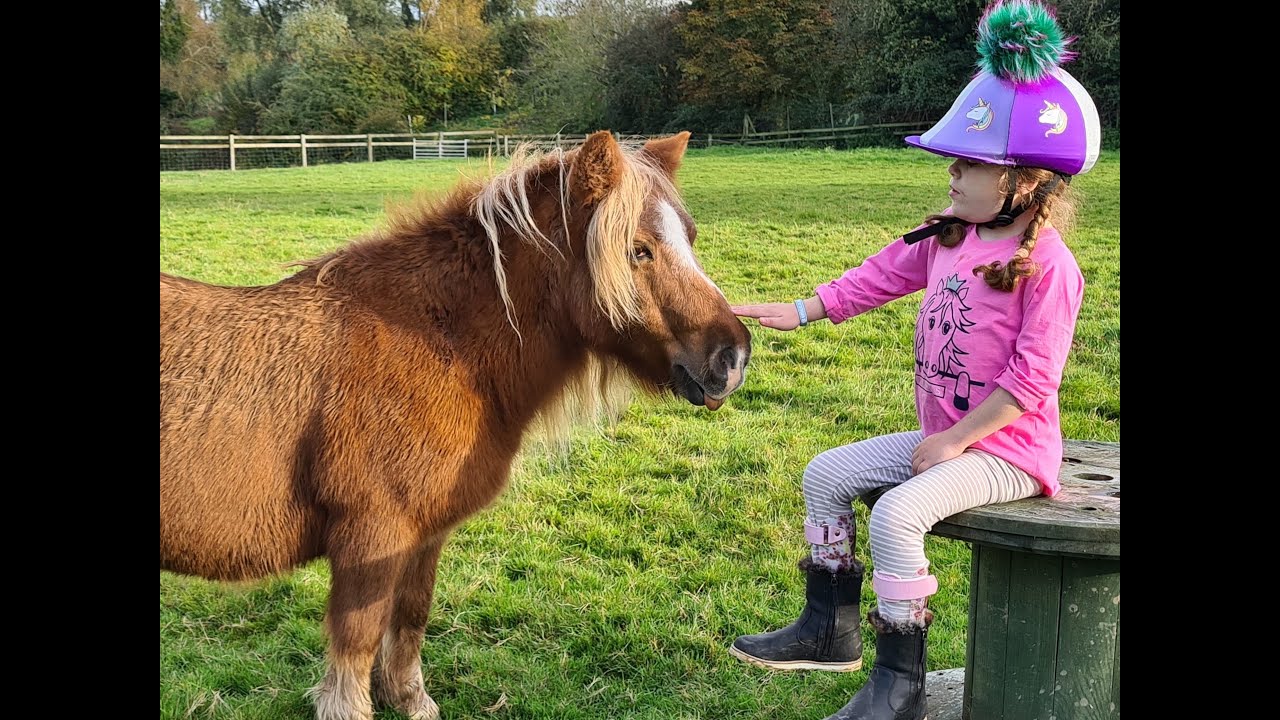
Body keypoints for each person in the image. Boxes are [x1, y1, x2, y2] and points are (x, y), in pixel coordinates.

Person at [728, 2, 1102, 718]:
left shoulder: (1050, 266)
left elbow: (1033, 381)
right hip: (951, 444)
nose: (951, 175)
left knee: (896, 517)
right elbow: (878, 276)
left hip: (1008, 451)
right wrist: (806, 309)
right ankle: (828, 630)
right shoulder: (950, 236)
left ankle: (900, 685)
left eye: (968, 164)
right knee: (825, 474)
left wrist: (957, 439)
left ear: (1022, 181)